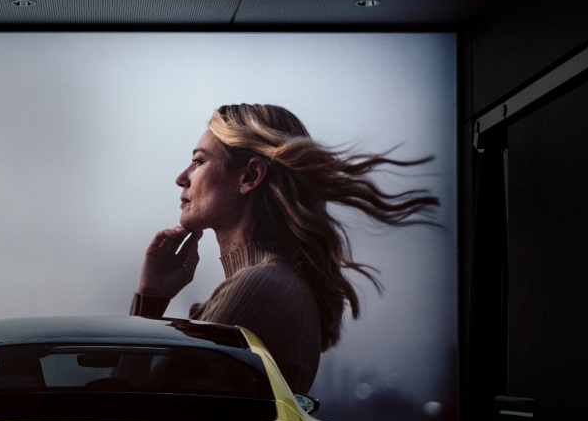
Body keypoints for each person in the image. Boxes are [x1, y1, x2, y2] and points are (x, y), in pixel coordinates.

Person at [130, 104, 440, 393]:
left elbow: (130, 409)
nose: (181, 178)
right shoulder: (272, 284)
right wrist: (154, 293)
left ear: (250, 176)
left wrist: (148, 305)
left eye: (198, 161)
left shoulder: (262, 287)